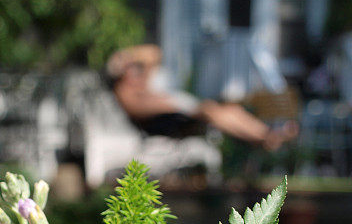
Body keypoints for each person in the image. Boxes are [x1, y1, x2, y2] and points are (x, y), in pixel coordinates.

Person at [107, 45, 298, 151]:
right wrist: (172, 104)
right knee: (210, 111)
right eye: (128, 68)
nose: (134, 71)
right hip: (165, 121)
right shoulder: (124, 92)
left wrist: (128, 55)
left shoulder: (138, 83)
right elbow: (143, 112)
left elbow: (154, 53)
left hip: (178, 110)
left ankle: (264, 135)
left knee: (230, 108)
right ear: (120, 74)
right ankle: (264, 137)